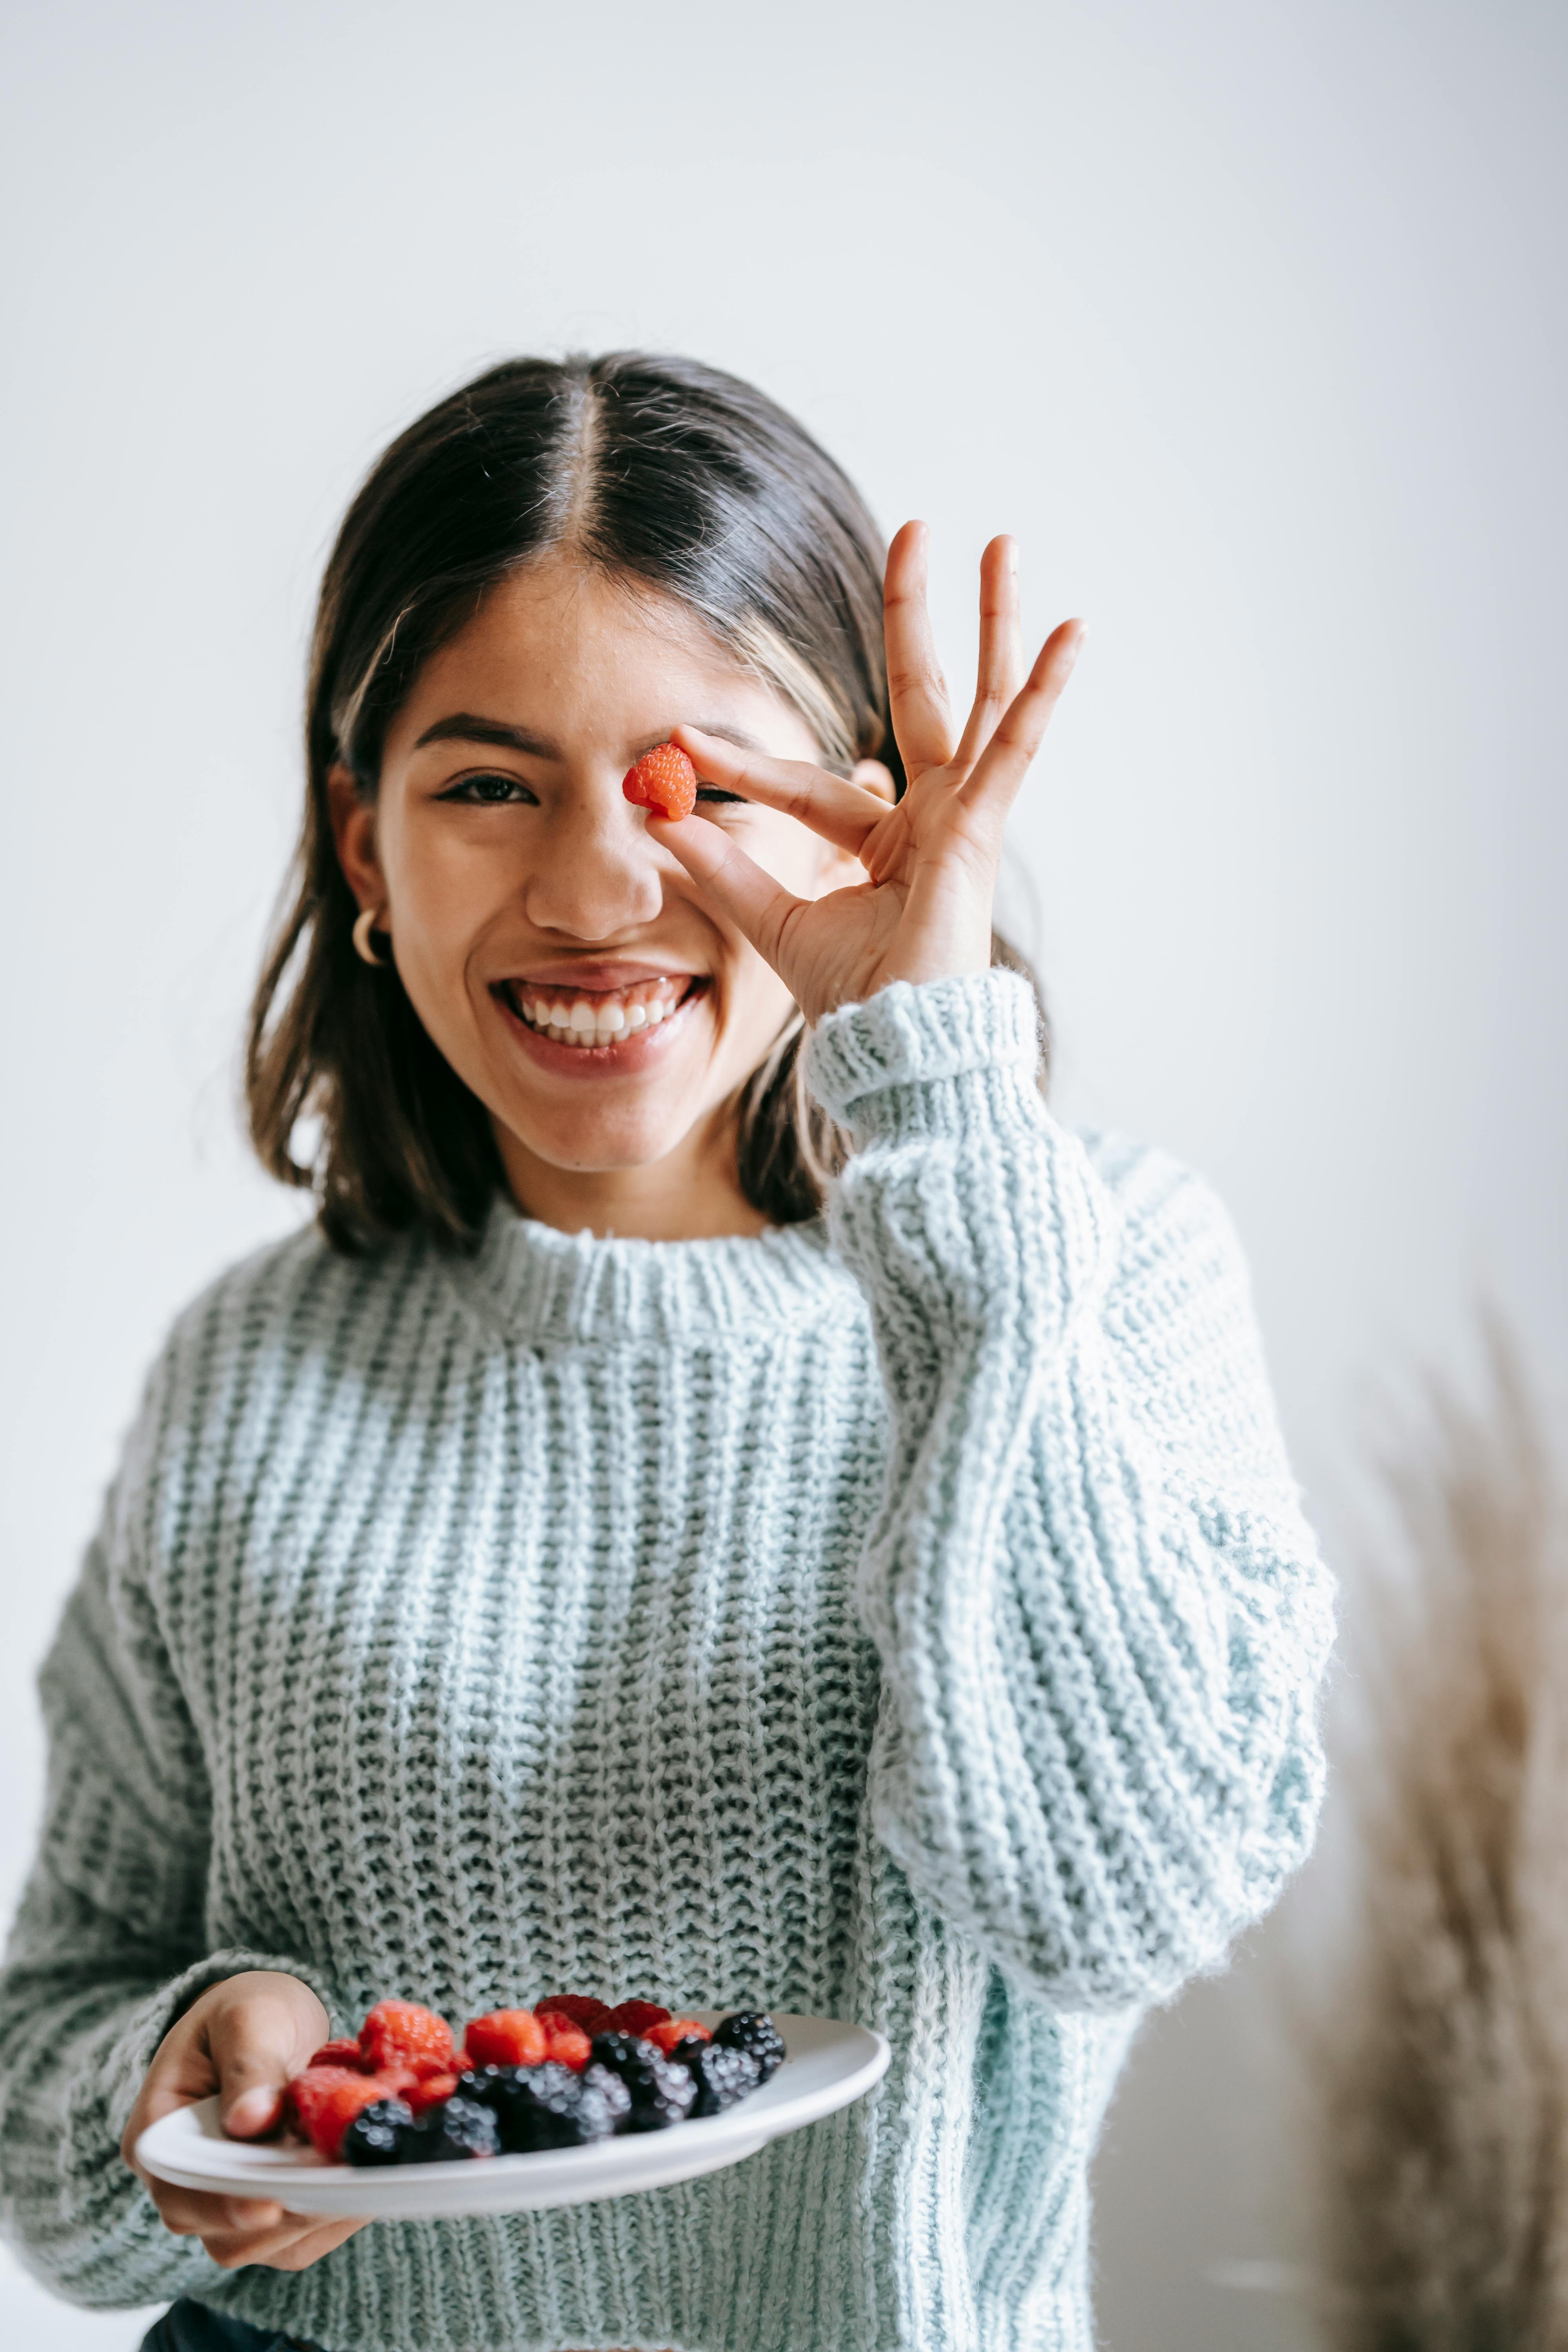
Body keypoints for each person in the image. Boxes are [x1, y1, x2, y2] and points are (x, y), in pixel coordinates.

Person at [0, 352, 1334, 2352]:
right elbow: (54, 2051)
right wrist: (182, 2070)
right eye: (481, 786)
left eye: (698, 791)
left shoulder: (1101, 1266)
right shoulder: (249, 1374)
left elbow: (1115, 1896)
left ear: (859, 822)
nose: (599, 891)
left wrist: (944, 1098)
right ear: (366, 855)